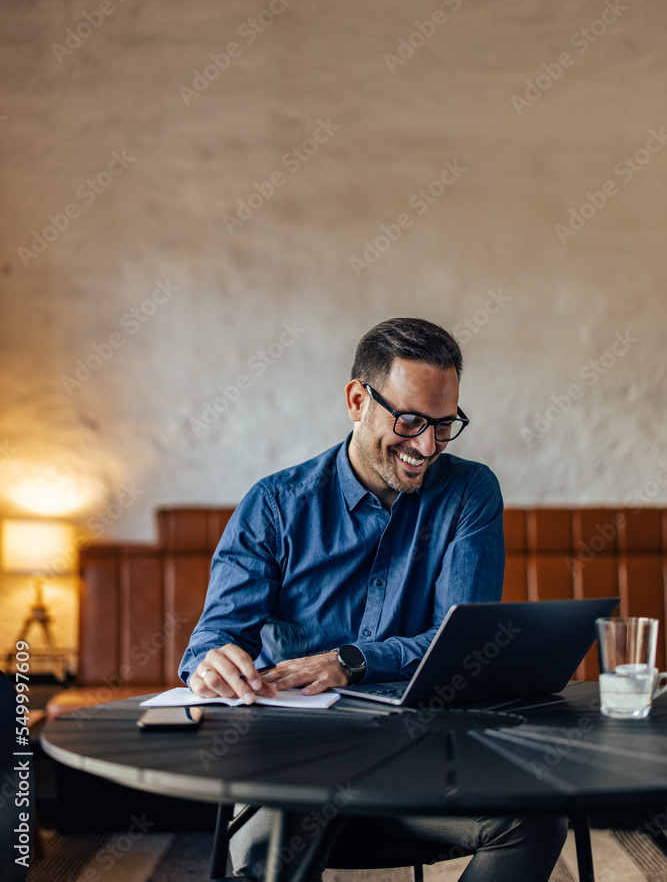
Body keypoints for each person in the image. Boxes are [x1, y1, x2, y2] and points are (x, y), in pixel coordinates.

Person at [179, 317, 567, 882]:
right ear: (358, 400)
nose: (427, 446)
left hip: (416, 762)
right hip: (292, 768)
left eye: (444, 424)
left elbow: (460, 643)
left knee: (536, 818)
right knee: (268, 866)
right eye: (410, 420)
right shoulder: (274, 506)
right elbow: (213, 641)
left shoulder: (468, 493)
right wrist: (212, 663)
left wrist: (348, 662)